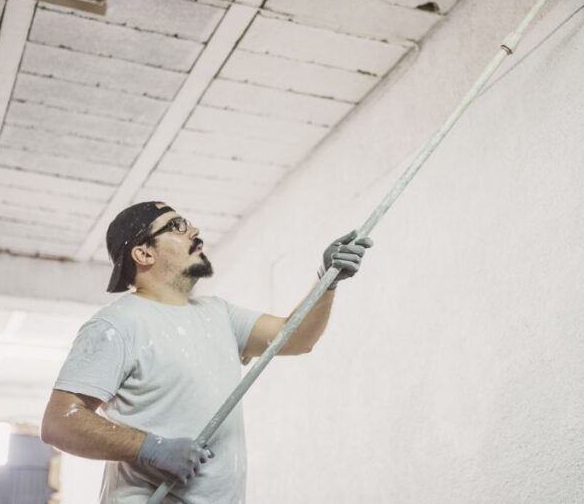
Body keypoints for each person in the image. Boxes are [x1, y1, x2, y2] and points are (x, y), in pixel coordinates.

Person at [40, 201, 373, 503]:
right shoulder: (116, 325)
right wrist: (150, 449)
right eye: (177, 226)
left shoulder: (218, 314)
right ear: (143, 254)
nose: (194, 231)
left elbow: (297, 337)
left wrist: (327, 281)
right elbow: (60, 423)